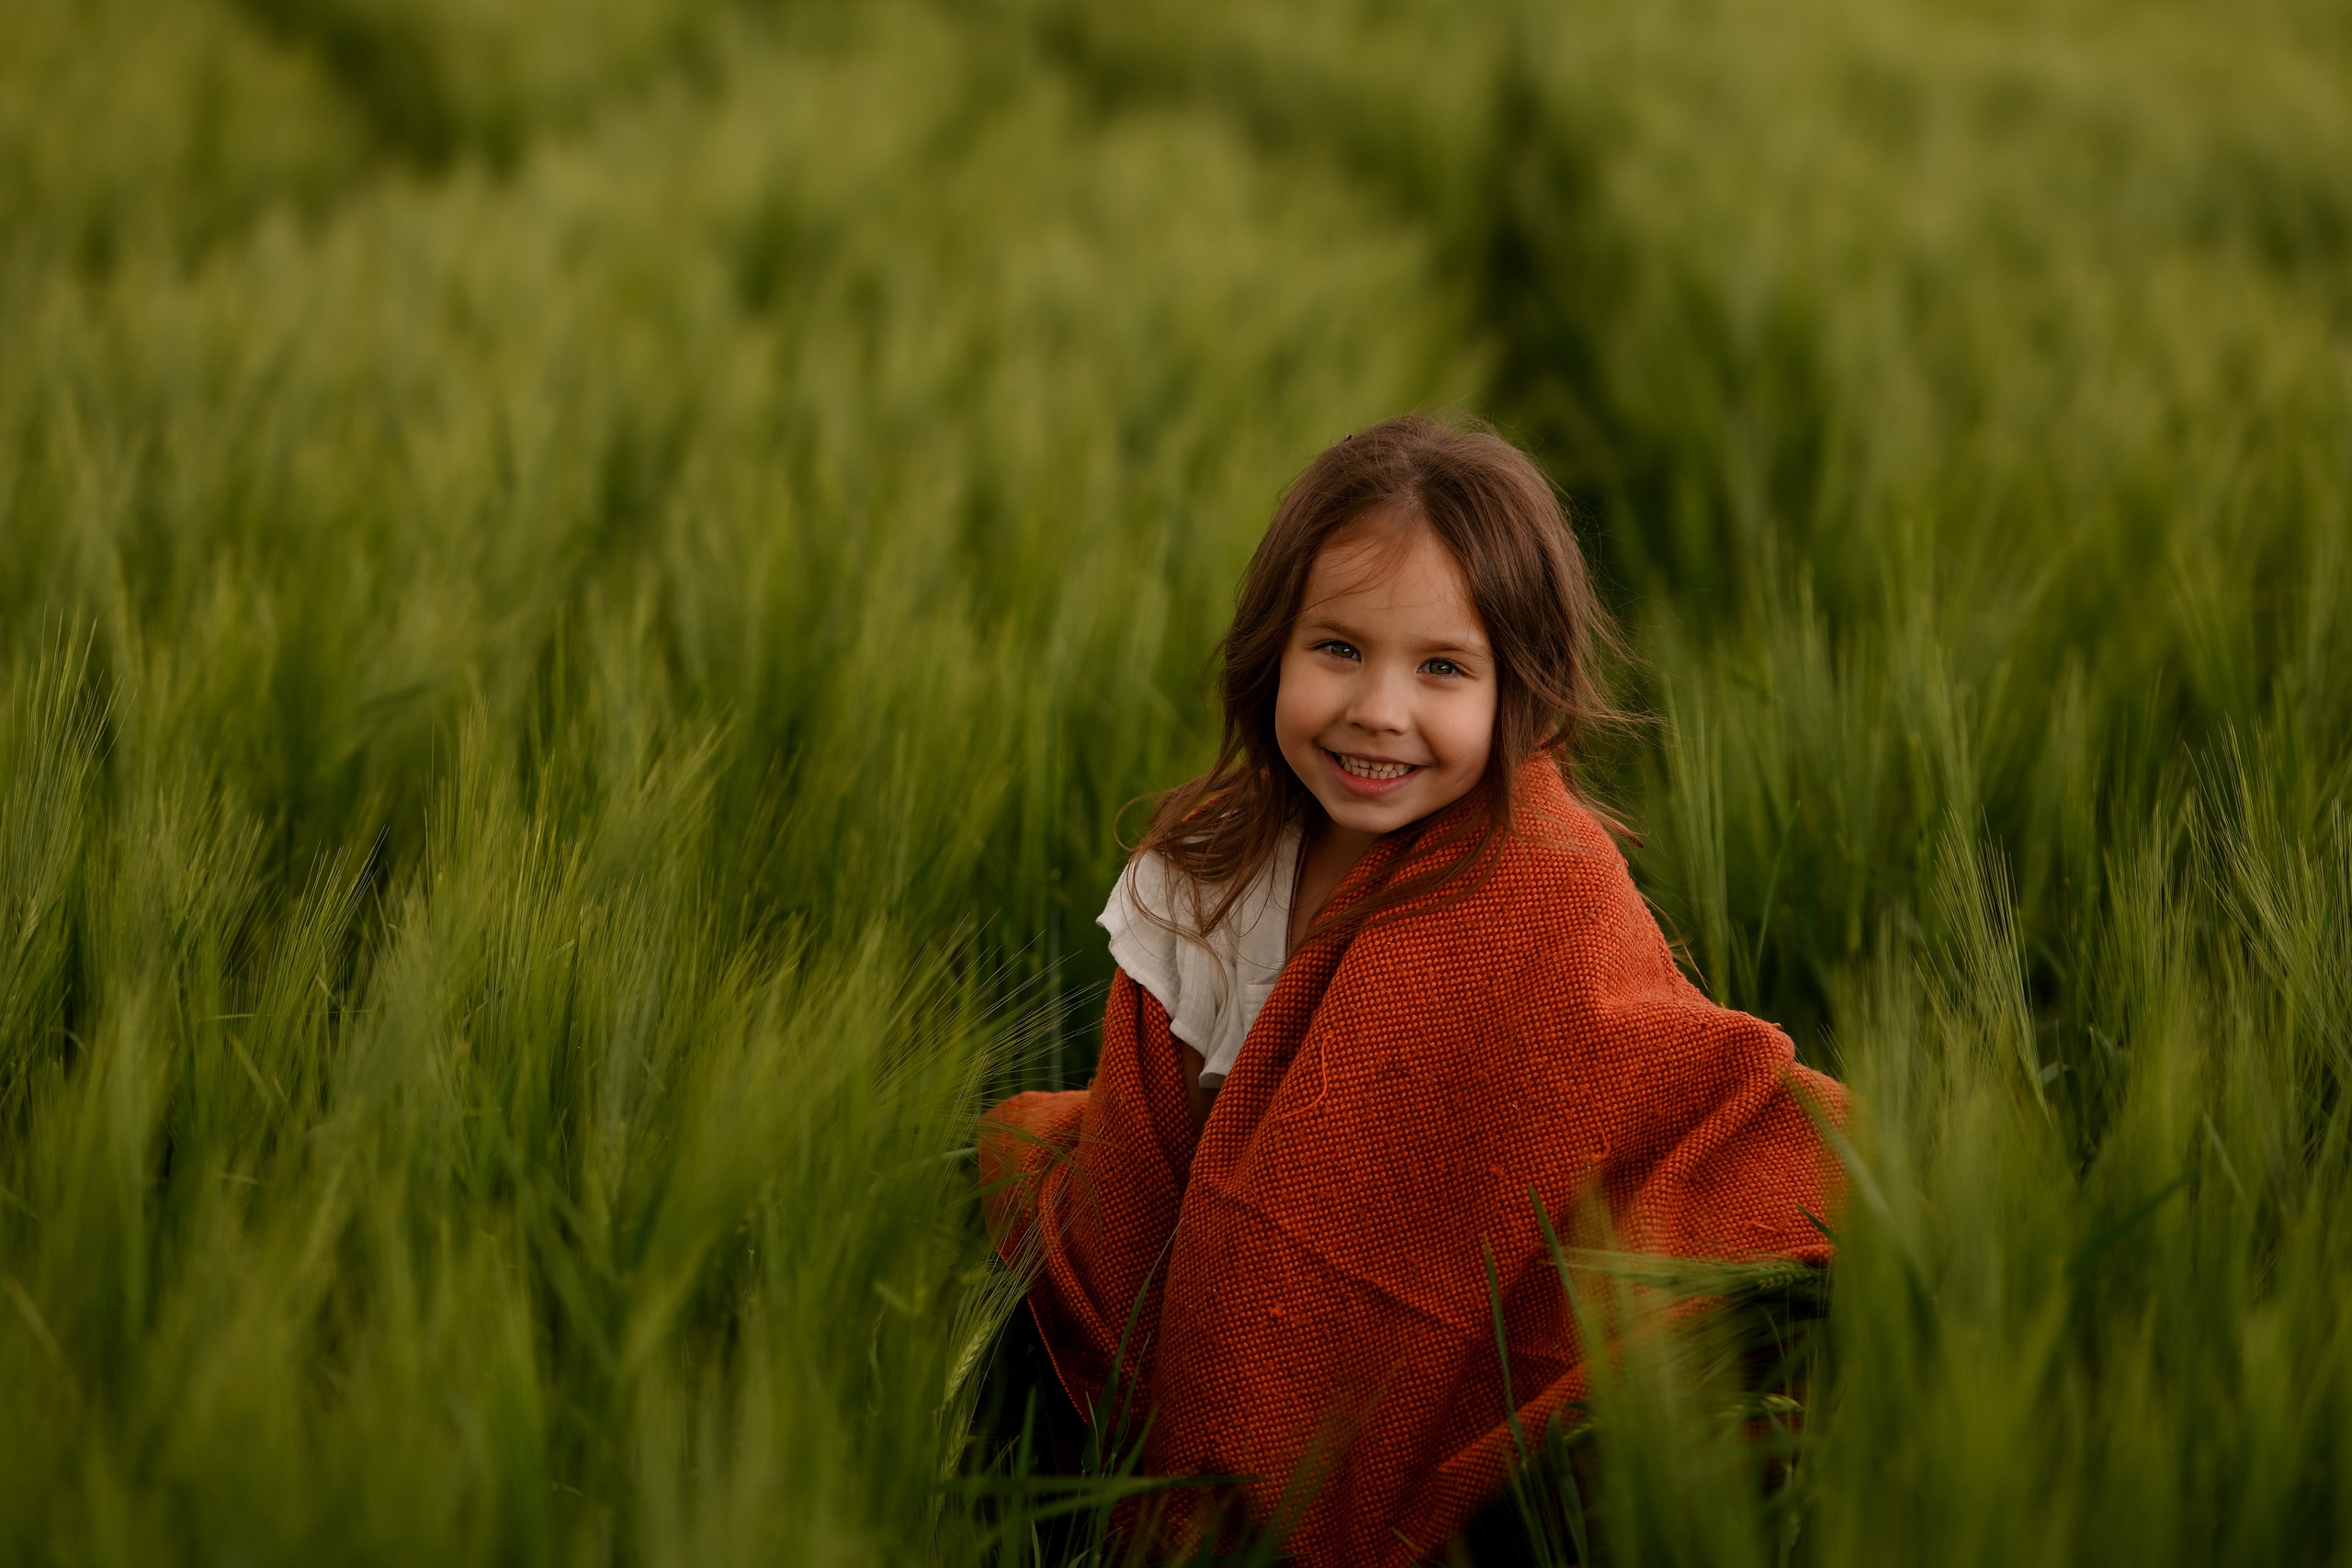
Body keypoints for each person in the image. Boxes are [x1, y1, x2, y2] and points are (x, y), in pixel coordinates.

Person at [977, 412, 1844, 1564]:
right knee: (1022, 1161)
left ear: (1519, 692)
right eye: (1336, 649)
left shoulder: (1547, 885)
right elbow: (1165, 1154)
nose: (1378, 710)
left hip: (1459, 1299)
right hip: (1245, 1297)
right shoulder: (1202, 878)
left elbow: (1633, 1095)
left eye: (1442, 668)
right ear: (1270, 652)